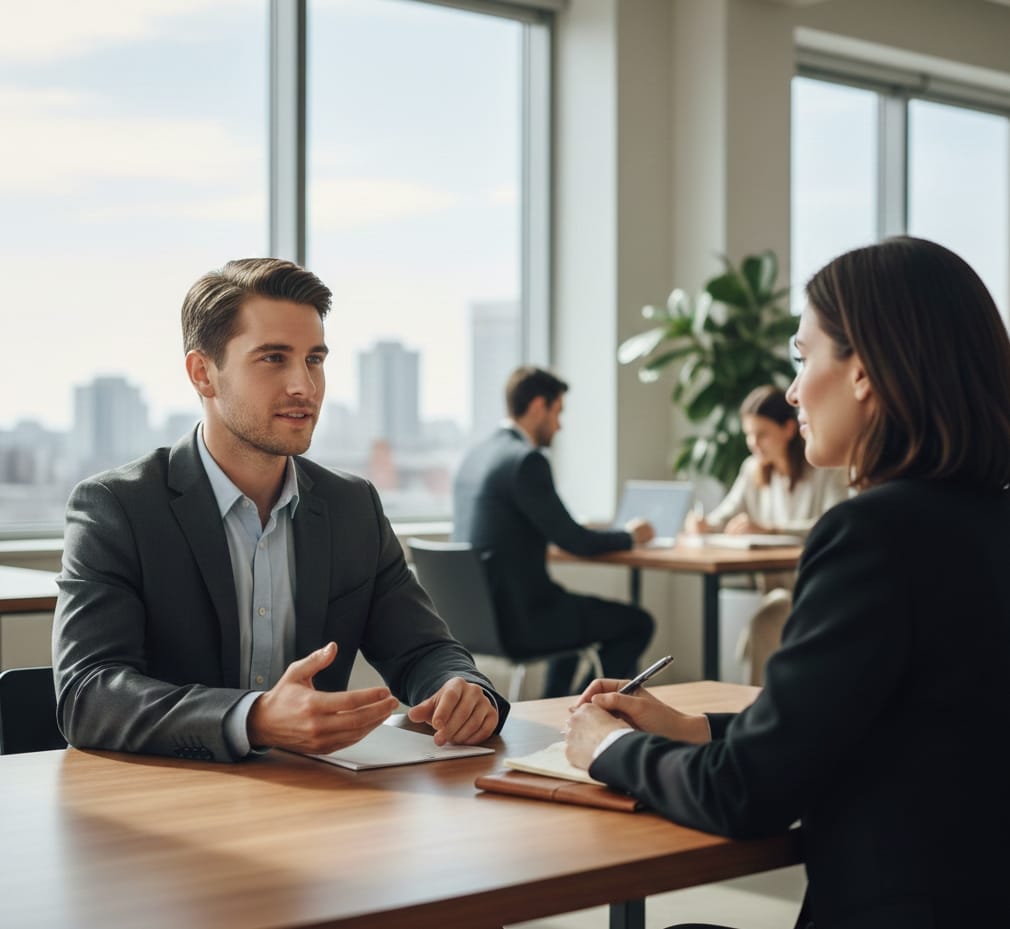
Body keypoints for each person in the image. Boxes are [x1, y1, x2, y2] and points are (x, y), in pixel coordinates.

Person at [565, 237, 1010, 929]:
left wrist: (608, 748)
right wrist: (693, 727)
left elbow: (746, 794)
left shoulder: (874, 535)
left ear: (862, 368)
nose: (794, 391)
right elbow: (901, 724)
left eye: (804, 358)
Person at [53, 258, 508, 762]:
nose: (304, 386)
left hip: (315, 801)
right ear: (203, 373)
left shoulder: (351, 506)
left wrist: (462, 688)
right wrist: (254, 717)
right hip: (167, 807)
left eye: (314, 359)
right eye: (274, 358)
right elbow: (89, 695)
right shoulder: (117, 507)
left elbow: (422, 649)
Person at [453, 366, 656, 698]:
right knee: (637, 623)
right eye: (557, 412)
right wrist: (630, 536)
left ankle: (560, 706)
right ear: (537, 407)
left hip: (476, 619)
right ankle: (588, 707)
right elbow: (575, 541)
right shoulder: (526, 461)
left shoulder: (476, 457)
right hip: (521, 621)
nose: (559, 425)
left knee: (570, 626)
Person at [685, 385, 849, 684]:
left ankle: (755, 712)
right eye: (749, 434)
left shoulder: (824, 470)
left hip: (814, 588)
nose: (753, 443)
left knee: (768, 618)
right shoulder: (753, 471)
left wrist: (771, 529)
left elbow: (835, 521)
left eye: (761, 434)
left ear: (788, 429)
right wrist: (704, 524)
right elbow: (727, 514)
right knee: (769, 615)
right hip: (778, 587)